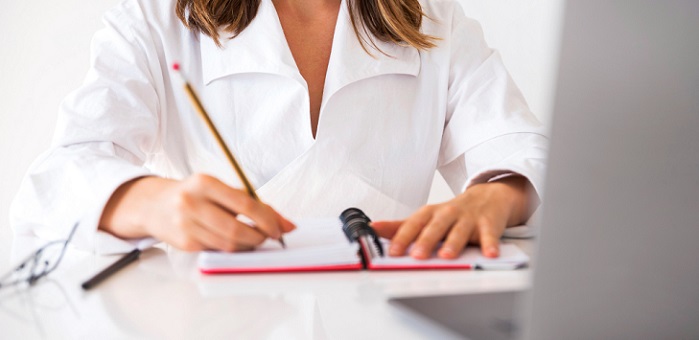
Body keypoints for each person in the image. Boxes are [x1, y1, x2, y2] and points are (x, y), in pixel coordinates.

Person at [10, 0, 548, 259]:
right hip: (213, 315)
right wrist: (149, 203)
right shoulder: (155, 18)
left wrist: (496, 199)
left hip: (385, 305)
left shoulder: (433, 19)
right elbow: (57, 179)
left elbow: (523, 151)